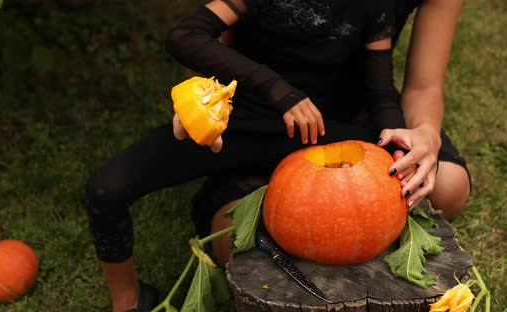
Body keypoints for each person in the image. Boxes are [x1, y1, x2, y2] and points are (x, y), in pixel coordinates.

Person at [83, 1, 462, 311]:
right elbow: (187, 37)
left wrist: (401, 147)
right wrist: (202, 100)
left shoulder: (374, 6)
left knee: (441, 182)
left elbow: (382, 92)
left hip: (327, 125)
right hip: (245, 121)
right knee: (106, 188)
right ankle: (128, 303)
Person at [190, 0, 471, 265]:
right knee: (236, 239)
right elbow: (207, 40)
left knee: (448, 186)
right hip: (265, 108)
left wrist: (426, 133)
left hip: (362, 102)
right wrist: (201, 104)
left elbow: (424, 87)